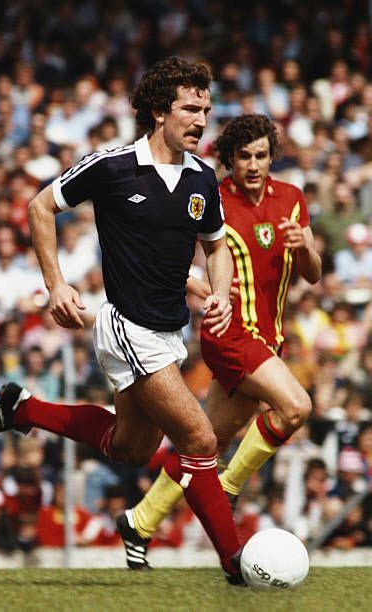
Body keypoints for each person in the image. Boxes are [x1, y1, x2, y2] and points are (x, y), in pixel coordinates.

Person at [0, 57, 244, 583]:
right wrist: (56, 283)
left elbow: (217, 248)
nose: (202, 118)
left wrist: (223, 294)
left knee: (130, 448)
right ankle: (237, 563)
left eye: (207, 109)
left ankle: (24, 409)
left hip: (170, 330)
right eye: (191, 108)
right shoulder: (113, 165)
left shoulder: (202, 179)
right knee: (200, 440)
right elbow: (38, 207)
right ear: (158, 112)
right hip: (127, 325)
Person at [116, 113, 322, 569]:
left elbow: (313, 273)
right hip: (228, 332)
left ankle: (139, 522)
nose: (253, 164)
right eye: (243, 156)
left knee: (204, 442)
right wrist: (195, 285)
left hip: (268, 339)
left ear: (272, 157)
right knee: (295, 408)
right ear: (228, 159)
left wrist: (304, 247)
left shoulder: (291, 199)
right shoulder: (212, 196)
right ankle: (226, 489)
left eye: (261, 155)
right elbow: (165, 252)